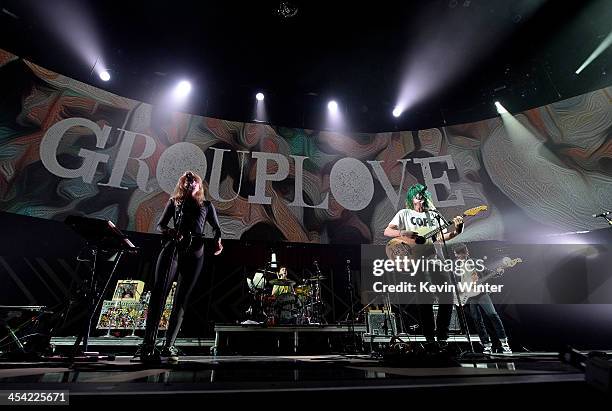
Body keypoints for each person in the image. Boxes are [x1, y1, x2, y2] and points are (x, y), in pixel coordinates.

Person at [135, 171, 223, 363]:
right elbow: (160, 225)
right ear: (183, 184)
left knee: (182, 299)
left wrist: (218, 241)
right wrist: (169, 231)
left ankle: (168, 345)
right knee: (159, 294)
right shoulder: (175, 202)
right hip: (173, 248)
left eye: (195, 182)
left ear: (199, 186)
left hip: (195, 251)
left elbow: (216, 228)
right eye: (187, 181)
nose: (191, 184)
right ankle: (148, 344)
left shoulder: (207, 206)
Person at [384, 183, 464, 346]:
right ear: (411, 198)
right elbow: (387, 231)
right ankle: (429, 338)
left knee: (447, 295)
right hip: (417, 261)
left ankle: (442, 336)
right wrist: (404, 232)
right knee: (425, 297)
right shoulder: (404, 213)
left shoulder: (434, 215)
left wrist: (457, 231)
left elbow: (440, 237)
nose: (419, 196)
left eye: (422, 194)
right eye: (415, 194)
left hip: (436, 259)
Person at [453, 243, 512, 354]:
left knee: (493, 315)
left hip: (481, 293)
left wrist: (498, 273)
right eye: (457, 254)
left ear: (465, 253)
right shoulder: (456, 266)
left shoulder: (475, 262)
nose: (458, 256)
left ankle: (504, 344)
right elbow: (455, 281)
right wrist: (458, 290)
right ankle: (486, 345)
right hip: (468, 296)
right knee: (477, 320)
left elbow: (488, 272)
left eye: (461, 254)